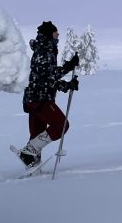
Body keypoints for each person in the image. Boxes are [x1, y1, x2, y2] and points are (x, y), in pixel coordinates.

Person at [18, 20, 80, 168]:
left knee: (37, 134)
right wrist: (66, 85)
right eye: (55, 32)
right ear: (48, 35)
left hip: (34, 98)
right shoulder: (44, 51)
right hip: (40, 99)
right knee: (61, 125)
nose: (58, 35)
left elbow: (49, 74)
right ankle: (29, 151)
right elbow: (46, 79)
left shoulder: (44, 49)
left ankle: (33, 168)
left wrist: (68, 66)